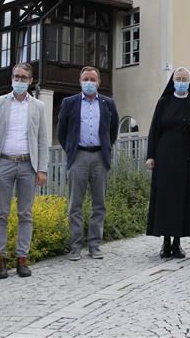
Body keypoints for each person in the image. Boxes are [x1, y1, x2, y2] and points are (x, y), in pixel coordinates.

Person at [0, 63, 49, 279]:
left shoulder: (38, 106)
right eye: (16, 77)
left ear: (31, 81)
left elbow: (42, 140)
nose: (19, 81)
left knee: (25, 214)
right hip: (3, 163)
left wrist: (42, 169)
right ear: (11, 78)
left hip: (27, 165)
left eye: (23, 78)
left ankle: (22, 258)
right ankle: (0, 258)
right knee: (1, 213)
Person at [145, 67, 190, 258]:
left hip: (188, 160)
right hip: (165, 159)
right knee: (166, 201)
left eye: (185, 79)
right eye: (178, 78)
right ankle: (165, 243)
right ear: (173, 81)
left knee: (183, 201)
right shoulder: (163, 103)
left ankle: (177, 243)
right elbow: (154, 131)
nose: (181, 81)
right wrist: (150, 156)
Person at [58, 66, 119, 261]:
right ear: (80, 81)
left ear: (99, 82)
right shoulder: (70, 103)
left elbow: (113, 130)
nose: (90, 82)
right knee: (75, 204)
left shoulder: (108, 103)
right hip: (79, 157)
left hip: (100, 156)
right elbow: (62, 131)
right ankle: (75, 246)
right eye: (86, 79)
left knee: (99, 204)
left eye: (93, 79)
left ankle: (95, 245)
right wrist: (71, 150)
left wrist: (106, 148)